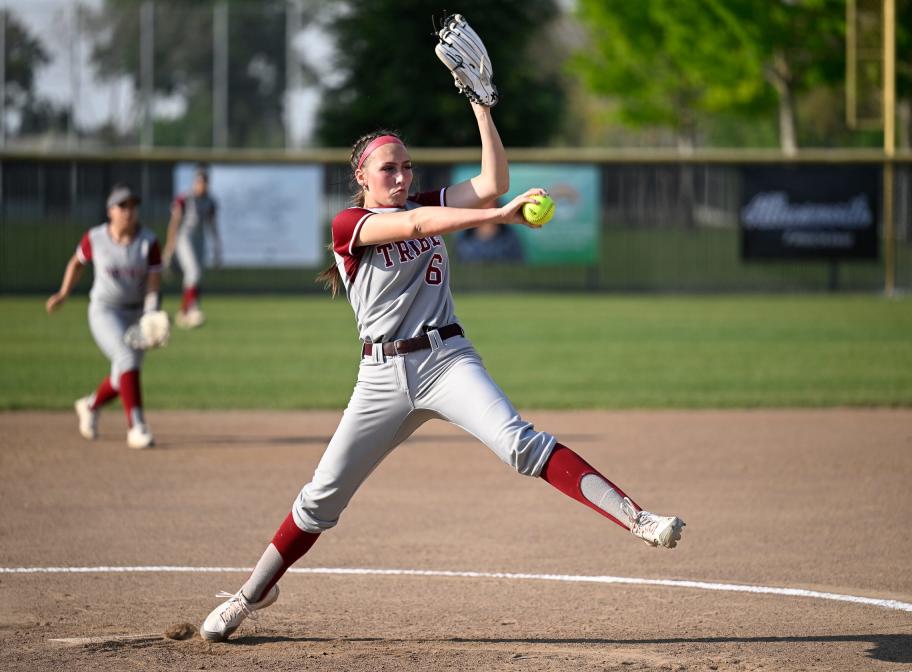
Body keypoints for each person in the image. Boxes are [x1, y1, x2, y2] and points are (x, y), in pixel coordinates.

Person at [199, 102, 685, 642]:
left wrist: (482, 106)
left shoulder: (421, 200)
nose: (403, 177)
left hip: (448, 361)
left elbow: (492, 181)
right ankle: (252, 594)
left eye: (407, 167)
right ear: (361, 175)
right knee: (321, 498)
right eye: (390, 169)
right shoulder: (351, 224)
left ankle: (637, 518)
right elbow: (416, 223)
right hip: (382, 376)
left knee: (520, 443)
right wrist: (496, 218)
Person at [46, 184, 161, 449]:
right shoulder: (95, 238)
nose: (129, 212)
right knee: (125, 358)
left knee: (123, 374)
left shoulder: (148, 241)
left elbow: (154, 282)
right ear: (110, 211)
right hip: (104, 310)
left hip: (136, 313)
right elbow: (76, 263)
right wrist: (63, 293)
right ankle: (137, 426)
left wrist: (151, 314)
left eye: (133, 206)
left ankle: (90, 405)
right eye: (123, 206)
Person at [162, 165, 221, 329]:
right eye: (199, 182)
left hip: (200, 239)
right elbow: (174, 223)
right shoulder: (185, 198)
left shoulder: (210, 200)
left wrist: (217, 248)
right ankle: (191, 309)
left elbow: (213, 226)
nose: (202, 185)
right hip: (184, 237)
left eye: (205, 182)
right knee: (193, 271)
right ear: (195, 182)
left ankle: (184, 312)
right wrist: (169, 248)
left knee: (197, 274)